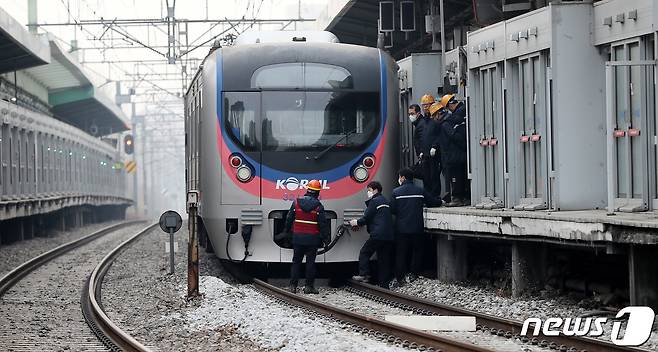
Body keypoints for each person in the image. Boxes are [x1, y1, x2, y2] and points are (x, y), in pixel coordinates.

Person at [390, 167, 441, 288]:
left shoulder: (396, 192)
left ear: (402, 177)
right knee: (417, 251)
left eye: (399, 177)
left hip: (401, 228)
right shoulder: (420, 190)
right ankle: (414, 273)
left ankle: (400, 277)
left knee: (401, 253)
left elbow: (392, 209)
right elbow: (433, 202)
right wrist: (441, 201)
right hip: (417, 227)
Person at [284, 179, 330, 294]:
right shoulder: (319, 207)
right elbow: (323, 224)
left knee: (296, 262)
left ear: (308, 190)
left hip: (298, 238)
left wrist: (287, 232)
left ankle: (293, 286)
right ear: (318, 192)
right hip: (312, 240)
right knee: (310, 263)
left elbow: (289, 219)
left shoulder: (296, 203)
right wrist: (326, 239)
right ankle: (309, 287)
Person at [349, 181, 394, 288]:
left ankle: (363, 274)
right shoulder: (385, 201)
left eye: (369, 190)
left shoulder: (374, 201)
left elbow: (366, 217)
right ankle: (384, 284)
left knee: (364, 252)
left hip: (378, 234)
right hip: (389, 235)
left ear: (375, 190)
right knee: (384, 259)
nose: (368, 193)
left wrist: (355, 222)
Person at [439, 95, 468, 206]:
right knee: (461, 175)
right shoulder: (462, 112)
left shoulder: (453, 119)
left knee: (456, 176)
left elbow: (454, 136)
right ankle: (463, 197)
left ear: (450, 105)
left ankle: (457, 198)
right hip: (459, 153)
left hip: (455, 154)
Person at [420, 102, 443, 198]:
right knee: (426, 176)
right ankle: (428, 195)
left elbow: (438, 136)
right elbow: (424, 137)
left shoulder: (436, 123)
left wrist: (434, 146)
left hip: (433, 155)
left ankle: (434, 195)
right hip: (426, 154)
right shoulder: (426, 122)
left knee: (434, 175)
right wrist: (422, 150)